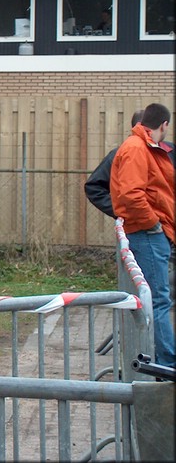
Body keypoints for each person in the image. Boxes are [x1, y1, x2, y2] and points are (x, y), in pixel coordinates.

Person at [110, 103, 175, 368]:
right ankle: (166, 361)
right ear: (164, 125)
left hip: (150, 232)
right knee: (159, 300)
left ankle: (164, 358)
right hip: (148, 234)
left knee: (157, 298)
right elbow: (132, 195)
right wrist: (154, 224)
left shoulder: (141, 146)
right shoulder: (138, 148)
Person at [84, 109, 145, 218]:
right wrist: (122, 211)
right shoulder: (119, 154)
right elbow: (94, 187)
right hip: (134, 227)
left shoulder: (167, 152)